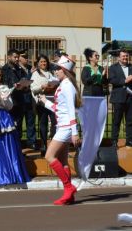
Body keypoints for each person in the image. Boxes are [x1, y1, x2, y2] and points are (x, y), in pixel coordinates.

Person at [38, 55, 82, 205]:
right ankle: (69, 195)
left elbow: (71, 110)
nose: (55, 71)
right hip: (62, 126)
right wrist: (45, 102)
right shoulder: (64, 84)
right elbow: (60, 109)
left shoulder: (67, 85)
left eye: (58, 69)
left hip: (66, 128)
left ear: (64, 70)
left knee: (49, 156)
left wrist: (74, 132)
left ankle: (69, 188)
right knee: (63, 161)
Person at [108, 49, 132, 148]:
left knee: (130, 120)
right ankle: (114, 141)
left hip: (130, 98)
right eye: (123, 56)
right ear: (118, 57)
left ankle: (129, 140)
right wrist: (125, 80)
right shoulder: (112, 68)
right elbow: (112, 80)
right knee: (116, 121)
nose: (125, 58)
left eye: (126, 56)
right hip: (118, 98)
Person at [30, 54, 58, 156]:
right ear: (38, 63)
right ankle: (43, 145)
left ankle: (54, 145)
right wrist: (42, 86)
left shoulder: (51, 73)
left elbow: (55, 83)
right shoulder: (35, 74)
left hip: (51, 101)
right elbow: (32, 88)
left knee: (54, 122)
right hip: (41, 102)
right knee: (43, 123)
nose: (43, 63)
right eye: (41, 62)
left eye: (45, 61)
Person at [2, 49, 26, 142]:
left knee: (19, 126)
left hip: (20, 101)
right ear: (9, 57)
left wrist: (25, 86)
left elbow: (24, 80)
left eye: (18, 57)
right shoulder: (4, 70)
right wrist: (13, 87)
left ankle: (18, 149)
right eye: (15, 57)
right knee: (10, 126)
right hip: (10, 103)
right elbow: (3, 86)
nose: (17, 59)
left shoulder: (20, 69)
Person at [18, 49, 37, 149]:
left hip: (29, 96)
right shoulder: (17, 68)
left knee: (31, 121)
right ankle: (19, 141)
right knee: (19, 121)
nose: (26, 59)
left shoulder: (30, 67)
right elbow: (22, 81)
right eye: (24, 57)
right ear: (19, 58)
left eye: (26, 57)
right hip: (20, 97)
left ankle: (32, 141)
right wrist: (30, 74)